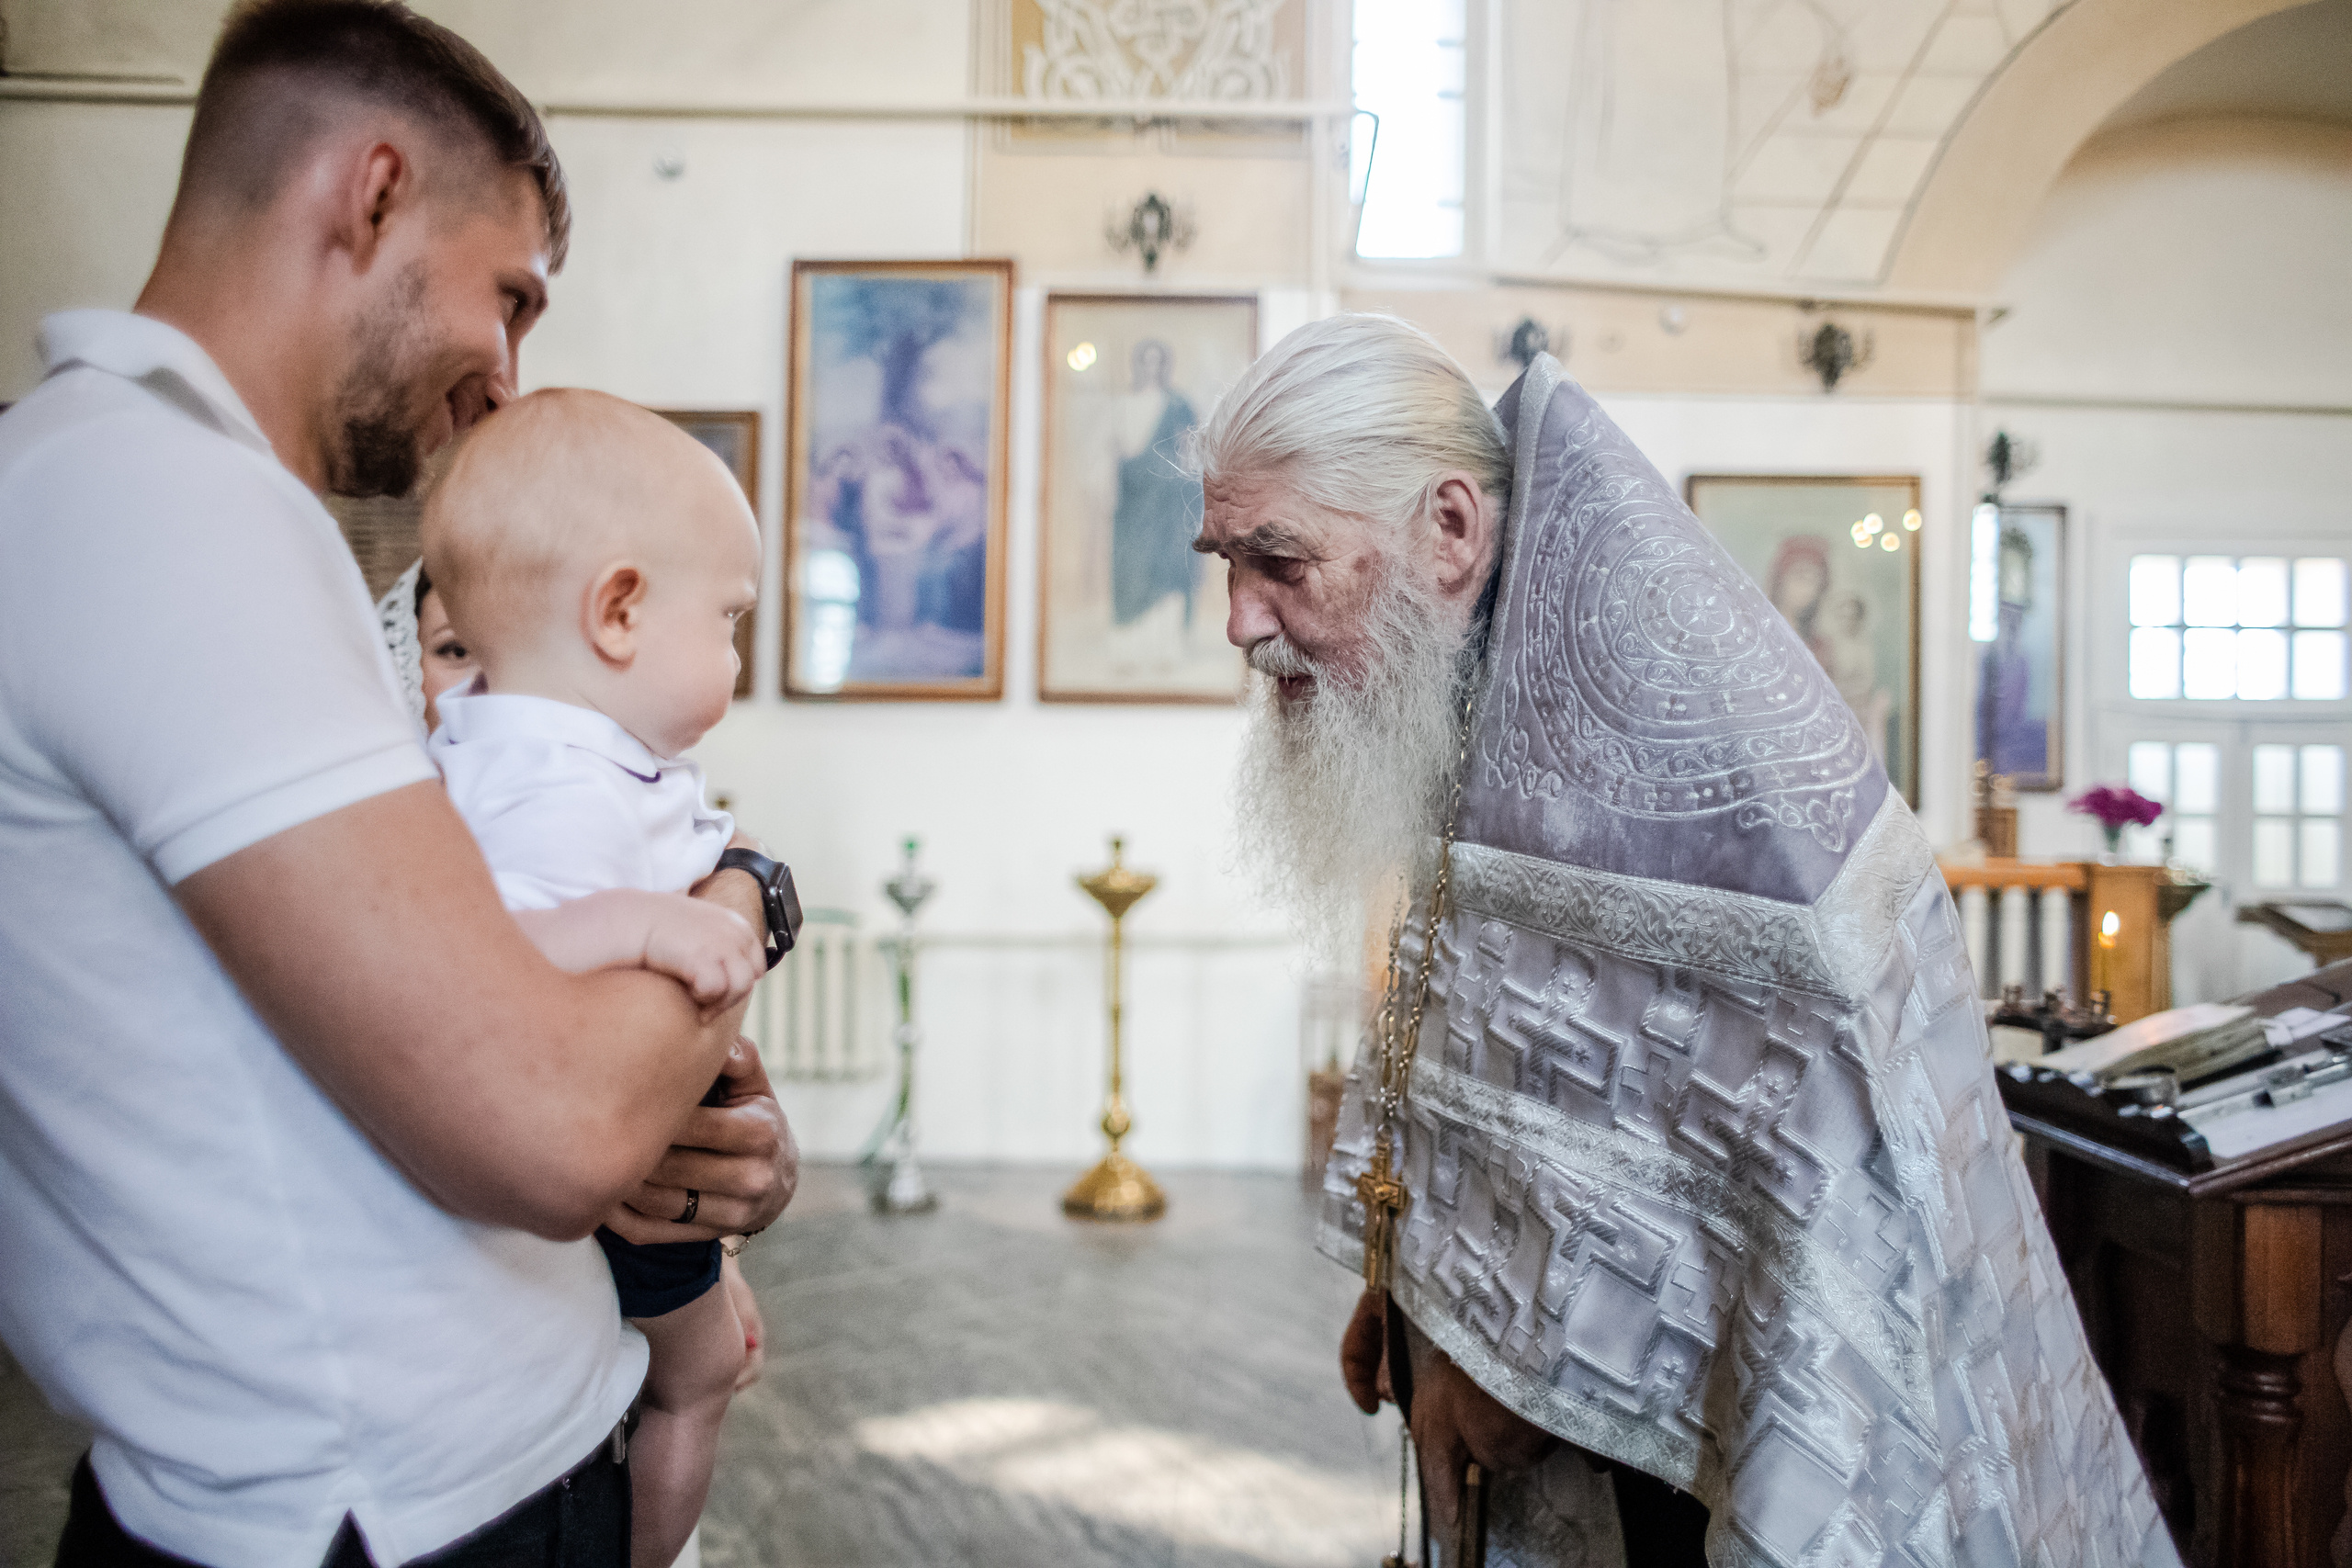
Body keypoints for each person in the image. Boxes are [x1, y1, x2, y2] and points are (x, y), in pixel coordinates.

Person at [1190, 314, 2178, 1566]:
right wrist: (1411, 1278)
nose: (1239, 618)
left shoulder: (1715, 790)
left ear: (1450, 528)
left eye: (1277, 558)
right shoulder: (1462, 691)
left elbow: (1781, 1163)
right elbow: (1511, 1070)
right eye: (1226, 560)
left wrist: (1506, 1373)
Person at [0, 5, 794, 1564]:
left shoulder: (244, 516)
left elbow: (481, 996)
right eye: (509, 299)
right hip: (378, 1510)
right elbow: (552, 1120)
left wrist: (694, 1132)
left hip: (458, 1462)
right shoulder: (150, 501)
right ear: (366, 198)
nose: (506, 377)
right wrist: (742, 896)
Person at [421, 388, 767, 1567]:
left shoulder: (538, 745)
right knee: (703, 1373)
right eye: (728, 619)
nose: (733, 652)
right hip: (583, 1189)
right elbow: (482, 961)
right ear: (618, 611)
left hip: (617, 1170)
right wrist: (645, 923)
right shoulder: (547, 785)